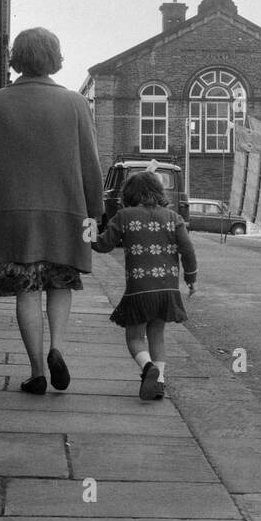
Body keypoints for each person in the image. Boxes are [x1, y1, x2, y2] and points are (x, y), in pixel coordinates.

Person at [0, 27, 103, 395]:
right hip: (64, 215)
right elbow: (91, 164)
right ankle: (58, 347)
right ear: (54, 58)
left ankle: (37, 371)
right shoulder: (75, 103)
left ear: (16, 57)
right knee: (60, 285)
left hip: (12, 218)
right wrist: (95, 213)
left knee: (27, 291)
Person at [92, 170, 197, 401]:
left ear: (128, 194)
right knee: (157, 335)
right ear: (159, 192)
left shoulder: (124, 216)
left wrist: (86, 225)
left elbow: (101, 245)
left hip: (140, 290)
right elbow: (188, 250)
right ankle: (158, 384)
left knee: (135, 337)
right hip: (167, 290)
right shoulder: (174, 218)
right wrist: (191, 278)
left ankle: (148, 367)